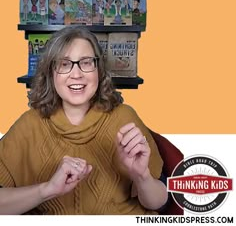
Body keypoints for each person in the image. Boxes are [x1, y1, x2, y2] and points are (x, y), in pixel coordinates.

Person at [0, 26, 167, 215]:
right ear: (51, 72)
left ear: (99, 69)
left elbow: (159, 203)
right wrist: (47, 190)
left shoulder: (125, 118)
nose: (76, 74)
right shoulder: (28, 125)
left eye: (86, 63)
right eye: (64, 64)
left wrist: (142, 176)